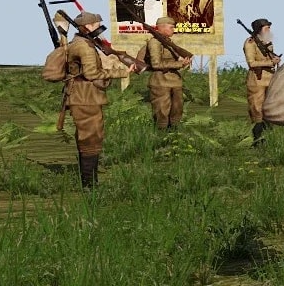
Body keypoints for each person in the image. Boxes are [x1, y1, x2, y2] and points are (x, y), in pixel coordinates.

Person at [62, 12, 142, 188]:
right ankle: (89, 185)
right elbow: (92, 74)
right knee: (90, 138)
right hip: (86, 97)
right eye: (97, 24)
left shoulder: (81, 43)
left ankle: (90, 182)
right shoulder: (84, 47)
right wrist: (122, 72)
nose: (99, 27)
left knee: (90, 138)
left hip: (84, 96)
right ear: (88, 26)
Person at [137, 17, 192, 130]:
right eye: (171, 27)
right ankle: (160, 139)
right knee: (162, 113)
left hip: (175, 82)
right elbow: (156, 64)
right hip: (160, 82)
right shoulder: (155, 42)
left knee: (177, 111)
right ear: (161, 27)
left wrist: (183, 62)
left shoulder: (168, 42)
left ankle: (174, 137)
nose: (173, 29)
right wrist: (179, 64)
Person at [244, 18, 279, 146]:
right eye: (266, 28)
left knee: (269, 109)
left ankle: (270, 139)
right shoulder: (250, 43)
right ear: (259, 29)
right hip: (257, 81)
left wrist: (274, 58)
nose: (269, 30)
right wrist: (271, 62)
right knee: (257, 110)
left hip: (270, 80)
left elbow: (270, 57)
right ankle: (257, 141)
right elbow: (251, 63)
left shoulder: (268, 43)